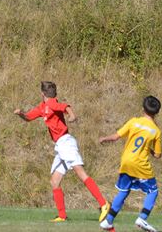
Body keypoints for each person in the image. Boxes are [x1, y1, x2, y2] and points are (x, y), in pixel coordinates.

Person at [14, 81, 109, 222]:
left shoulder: (52, 103)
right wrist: (21, 113)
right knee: (54, 181)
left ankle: (103, 204)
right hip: (60, 146)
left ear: (42, 93)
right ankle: (62, 216)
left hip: (66, 142)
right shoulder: (42, 107)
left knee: (80, 173)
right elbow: (28, 118)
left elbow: (65, 106)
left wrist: (72, 116)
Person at [98, 96, 162, 232]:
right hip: (140, 164)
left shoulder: (133, 122)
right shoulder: (156, 131)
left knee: (124, 191)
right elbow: (157, 155)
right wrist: (150, 150)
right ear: (157, 112)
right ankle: (142, 218)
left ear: (143, 108)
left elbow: (116, 136)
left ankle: (108, 221)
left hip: (126, 161)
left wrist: (104, 138)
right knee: (153, 191)